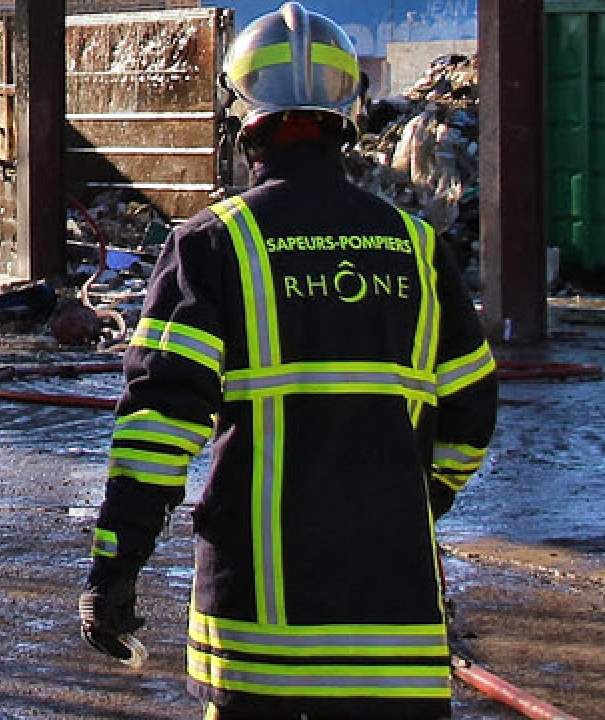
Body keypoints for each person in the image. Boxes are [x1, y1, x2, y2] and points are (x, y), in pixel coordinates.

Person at [77, 4, 498, 719]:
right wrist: (411, 504)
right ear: (347, 117)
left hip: (259, 633)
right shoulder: (417, 246)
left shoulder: (216, 243)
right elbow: (470, 413)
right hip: (394, 631)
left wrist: (115, 567)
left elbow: (159, 426)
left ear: (245, 123)